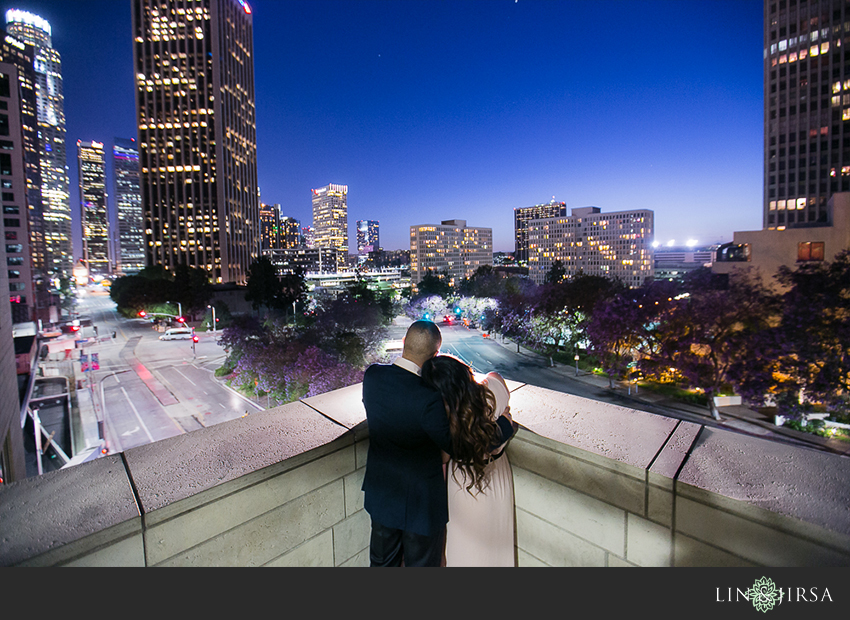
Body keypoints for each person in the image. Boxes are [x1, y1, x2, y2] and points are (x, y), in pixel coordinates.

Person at [361, 320, 514, 567]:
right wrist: (505, 425)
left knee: (381, 565)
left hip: (382, 494)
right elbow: (463, 447)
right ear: (435, 355)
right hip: (421, 505)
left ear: (403, 343)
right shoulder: (430, 397)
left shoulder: (373, 376)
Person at [421, 354, 519, 567]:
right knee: (498, 544)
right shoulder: (491, 393)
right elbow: (496, 376)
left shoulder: (444, 418)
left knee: (464, 548)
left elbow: (444, 455)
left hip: (463, 480)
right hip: (497, 473)